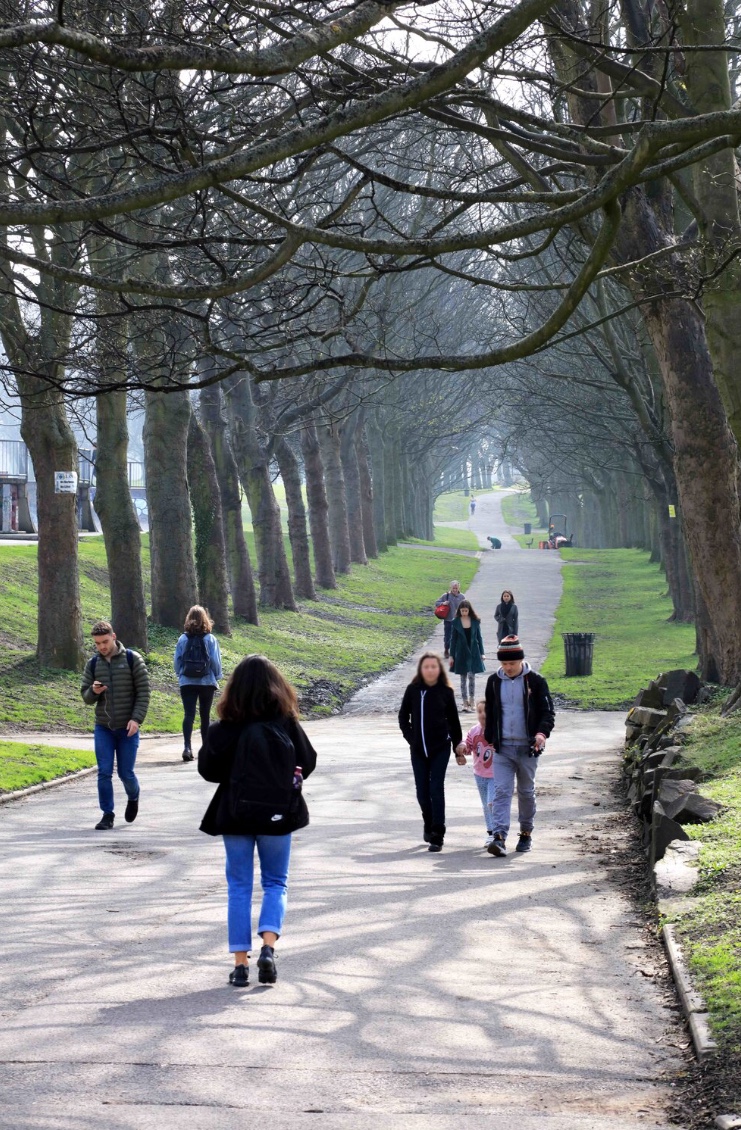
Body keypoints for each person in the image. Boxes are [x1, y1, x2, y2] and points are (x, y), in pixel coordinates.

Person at [198, 654, 317, 988]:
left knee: (238, 887)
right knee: (275, 882)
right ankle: (268, 947)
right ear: (276, 686)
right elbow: (308, 762)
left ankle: (239, 965)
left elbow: (208, 771)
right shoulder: (286, 722)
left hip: (235, 814)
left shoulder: (224, 728)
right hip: (278, 814)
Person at [483, 635, 555, 857]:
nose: (508, 668)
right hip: (503, 749)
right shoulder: (494, 682)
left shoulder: (536, 681)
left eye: (512, 663)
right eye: (504, 664)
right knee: (502, 791)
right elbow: (491, 713)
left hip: (527, 749)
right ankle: (499, 836)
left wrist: (541, 734)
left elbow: (547, 712)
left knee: (525, 792)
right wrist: (491, 738)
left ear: (521, 660)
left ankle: (525, 833)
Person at [80, 619, 151, 831]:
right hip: (104, 727)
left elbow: (144, 693)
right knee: (104, 771)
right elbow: (85, 696)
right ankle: (107, 814)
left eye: (104, 641)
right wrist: (93, 691)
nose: (102, 646)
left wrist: (136, 719)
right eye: (97, 643)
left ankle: (134, 796)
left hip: (127, 728)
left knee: (126, 774)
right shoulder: (93, 664)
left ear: (113, 636)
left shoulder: (132, 659)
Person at [398, 652, 465, 852]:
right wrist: (412, 739)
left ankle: (438, 833)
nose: (430, 670)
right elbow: (403, 717)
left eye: (433, 667)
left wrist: (457, 749)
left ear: (439, 669)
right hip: (418, 750)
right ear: (421, 669)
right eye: (426, 667)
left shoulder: (445, 691)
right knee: (422, 792)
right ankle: (428, 821)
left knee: (436, 788)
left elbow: (453, 721)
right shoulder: (412, 690)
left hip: (440, 748)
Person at [174, 605, 223, 762]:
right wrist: (217, 676)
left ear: (189, 618)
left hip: (187, 682)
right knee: (205, 716)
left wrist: (181, 674)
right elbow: (215, 661)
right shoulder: (210, 639)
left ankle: (187, 747)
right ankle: (206, 749)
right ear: (205, 619)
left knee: (189, 714)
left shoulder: (183, 639)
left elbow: (177, 661)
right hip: (207, 681)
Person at [463, 699, 496, 848]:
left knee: (492, 803)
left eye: (486, 711)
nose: (483, 715)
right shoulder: (474, 731)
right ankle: (490, 832)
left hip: (495, 774)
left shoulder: (498, 730)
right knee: (485, 804)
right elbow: (468, 746)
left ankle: (498, 833)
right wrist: (462, 748)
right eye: (479, 711)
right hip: (479, 774)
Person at [448, 598, 486, 711]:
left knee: (472, 677)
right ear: (459, 610)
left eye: (466, 610)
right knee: (463, 678)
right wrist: (451, 655)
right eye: (462, 610)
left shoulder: (475, 621)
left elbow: (479, 638)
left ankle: (472, 700)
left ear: (469, 610)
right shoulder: (456, 622)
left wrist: (482, 653)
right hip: (461, 653)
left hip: (473, 652)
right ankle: (464, 702)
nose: (464, 613)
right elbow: (453, 640)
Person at [435, 580, 467, 658]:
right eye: (453, 588)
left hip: (459, 620)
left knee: (459, 636)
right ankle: (446, 649)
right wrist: (443, 603)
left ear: (459, 587)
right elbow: (437, 603)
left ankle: (456, 651)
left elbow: (466, 607)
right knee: (448, 636)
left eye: (456, 588)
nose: (455, 590)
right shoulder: (446, 596)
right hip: (448, 620)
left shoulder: (462, 597)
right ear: (451, 587)